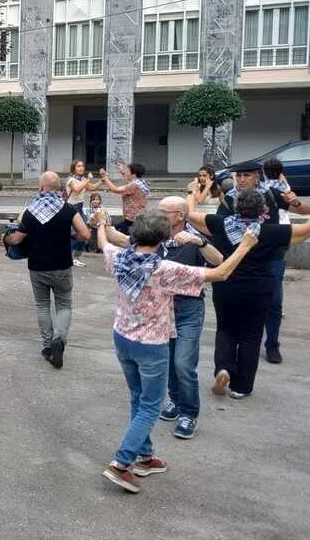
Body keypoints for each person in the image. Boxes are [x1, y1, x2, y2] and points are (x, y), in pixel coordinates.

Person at [95, 211, 257, 493]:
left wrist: (101, 224)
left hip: (122, 337)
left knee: (138, 397)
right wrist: (245, 245)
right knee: (150, 406)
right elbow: (220, 273)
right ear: (164, 238)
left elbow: (103, 242)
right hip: (151, 346)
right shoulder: (164, 269)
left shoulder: (120, 257)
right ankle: (121, 463)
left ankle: (145, 457)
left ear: (135, 234)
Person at [103, 197, 226, 440]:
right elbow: (122, 241)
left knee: (183, 363)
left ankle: (189, 413)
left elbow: (218, 262)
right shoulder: (154, 236)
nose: (158, 215)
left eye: (164, 212)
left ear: (180, 216)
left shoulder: (193, 236)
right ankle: (176, 401)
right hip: (160, 311)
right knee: (167, 359)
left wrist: (200, 242)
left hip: (188, 308)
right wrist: (103, 224)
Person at [187, 184, 310, 397]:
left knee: (225, 329)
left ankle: (223, 368)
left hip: (226, 285)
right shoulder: (272, 231)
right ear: (263, 210)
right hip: (259, 289)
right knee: (251, 336)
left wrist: (191, 192)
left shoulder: (220, 223)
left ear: (236, 207)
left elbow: (190, 214)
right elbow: (305, 231)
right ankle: (241, 388)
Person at [210, 159, 307, 365]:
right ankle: (237, 344)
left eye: (246, 175)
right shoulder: (229, 198)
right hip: (240, 259)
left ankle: (272, 345)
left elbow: (303, 211)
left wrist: (296, 202)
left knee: (274, 302)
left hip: (272, 256)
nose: (241, 179)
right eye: (238, 176)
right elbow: (218, 229)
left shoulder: (271, 194)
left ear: (257, 176)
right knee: (239, 303)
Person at [2, 171, 90, 369]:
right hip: (62, 266)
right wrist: (71, 237)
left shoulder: (30, 211)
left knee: (42, 305)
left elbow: (16, 239)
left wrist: (5, 239)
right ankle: (59, 339)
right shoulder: (68, 209)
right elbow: (85, 234)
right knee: (64, 304)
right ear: (59, 187)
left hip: (37, 267)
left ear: (41, 187)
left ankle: (48, 346)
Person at [99, 161, 150, 235]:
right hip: (138, 216)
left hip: (132, 218)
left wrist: (105, 178)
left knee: (112, 233)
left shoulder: (134, 185)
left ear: (133, 174)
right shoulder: (142, 182)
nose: (126, 172)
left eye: (127, 171)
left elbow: (116, 189)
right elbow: (128, 182)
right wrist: (122, 171)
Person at [66, 160, 100, 266]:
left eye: (82, 166)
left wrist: (103, 180)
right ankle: (73, 257)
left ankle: (73, 257)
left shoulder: (83, 180)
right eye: (78, 166)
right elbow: (77, 189)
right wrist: (88, 179)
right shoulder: (71, 180)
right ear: (74, 168)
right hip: (71, 207)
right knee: (81, 233)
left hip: (79, 207)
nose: (81, 168)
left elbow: (93, 187)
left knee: (79, 233)